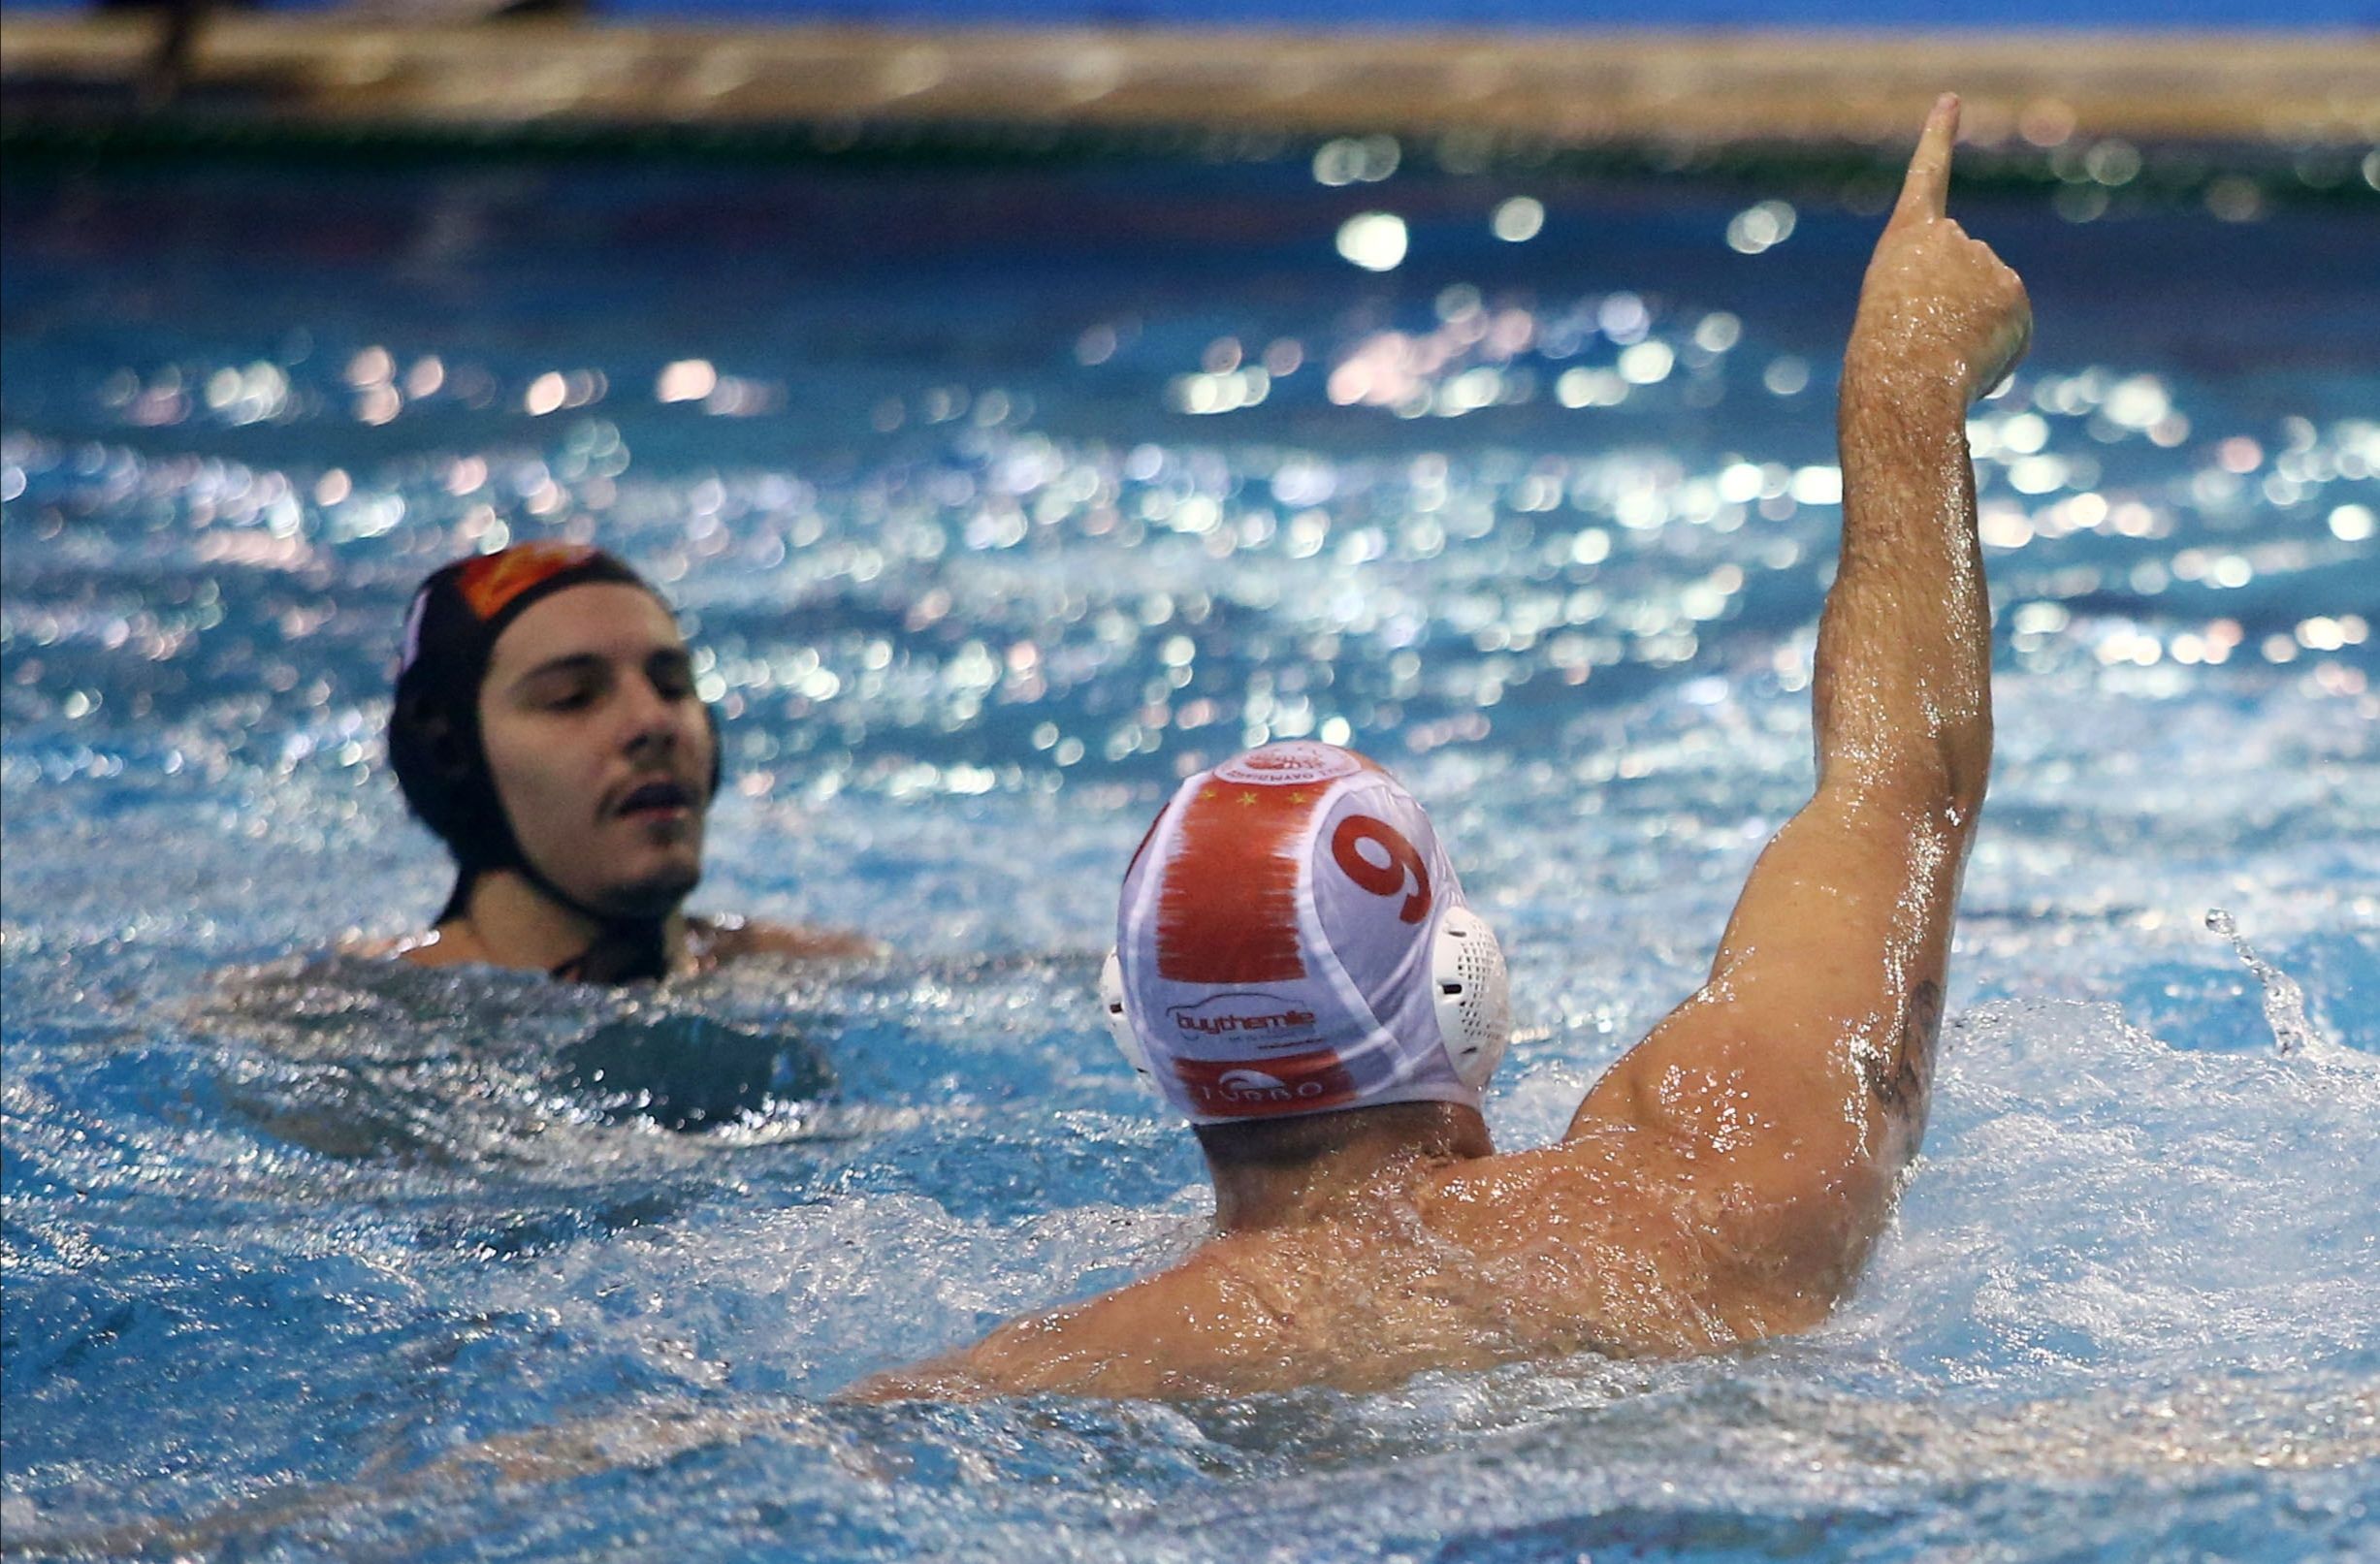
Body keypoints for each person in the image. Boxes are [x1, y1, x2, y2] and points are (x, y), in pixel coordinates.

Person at [855, 94, 2029, 1400]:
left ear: (1145, 1030)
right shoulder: (1704, 1210)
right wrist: (1905, 378)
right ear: (1463, 982)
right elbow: (1896, 789)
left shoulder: (1058, 1370)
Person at [381, 538, 871, 982]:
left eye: (671, 687)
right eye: (572, 698)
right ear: (450, 757)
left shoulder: (828, 975)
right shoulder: (375, 1015)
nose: (654, 723)